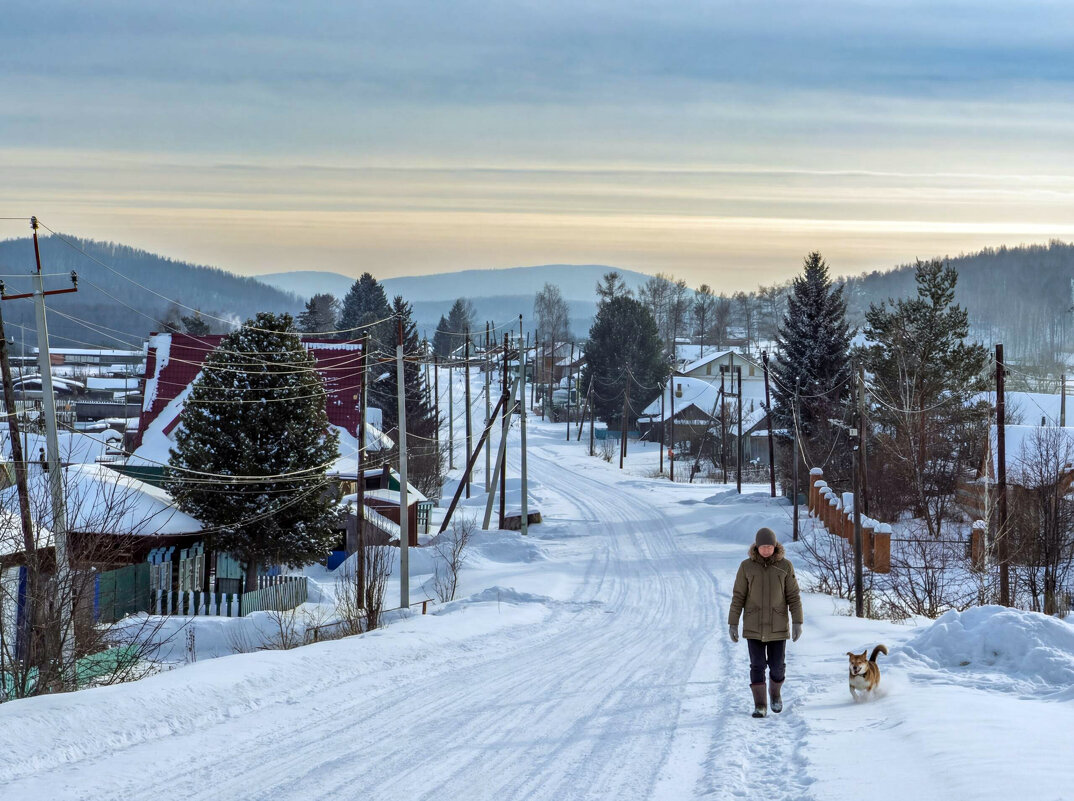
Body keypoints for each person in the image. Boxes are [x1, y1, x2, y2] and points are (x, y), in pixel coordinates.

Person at [727, 527, 803, 718]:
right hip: (754, 626)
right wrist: (733, 623)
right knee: (757, 665)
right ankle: (760, 704)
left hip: (778, 625)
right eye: (763, 547)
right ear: (757, 547)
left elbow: (793, 596)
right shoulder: (746, 567)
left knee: (777, 666)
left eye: (770, 546)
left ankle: (775, 694)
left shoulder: (785, 566)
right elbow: (738, 596)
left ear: (775, 546)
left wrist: (797, 621)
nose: (767, 550)